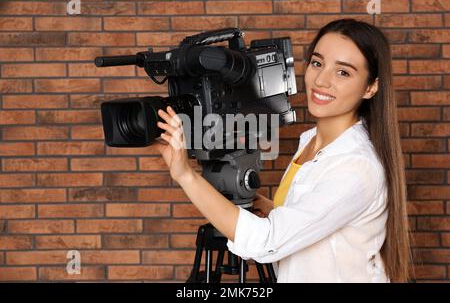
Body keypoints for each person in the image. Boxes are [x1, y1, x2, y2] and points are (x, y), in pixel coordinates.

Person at [153, 19, 410, 283]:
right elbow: (314, 219)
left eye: (343, 72)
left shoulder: (355, 166)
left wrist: (185, 174)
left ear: (371, 87)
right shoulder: (312, 142)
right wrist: (270, 208)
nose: (321, 80)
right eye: (317, 63)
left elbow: (267, 242)